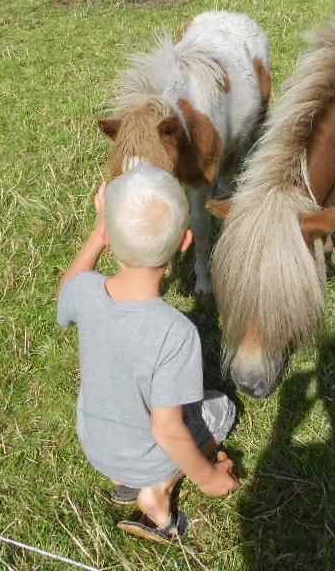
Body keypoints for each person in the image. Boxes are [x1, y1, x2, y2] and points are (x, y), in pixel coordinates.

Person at [57, 164, 240, 544]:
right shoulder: (174, 332)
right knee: (223, 407)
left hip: (97, 446)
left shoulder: (86, 292)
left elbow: (66, 292)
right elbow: (166, 429)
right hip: (145, 456)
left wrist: (97, 234)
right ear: (185, 242)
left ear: (111, 236)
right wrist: (207, 478)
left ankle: (124, 480)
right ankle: (156, 493)